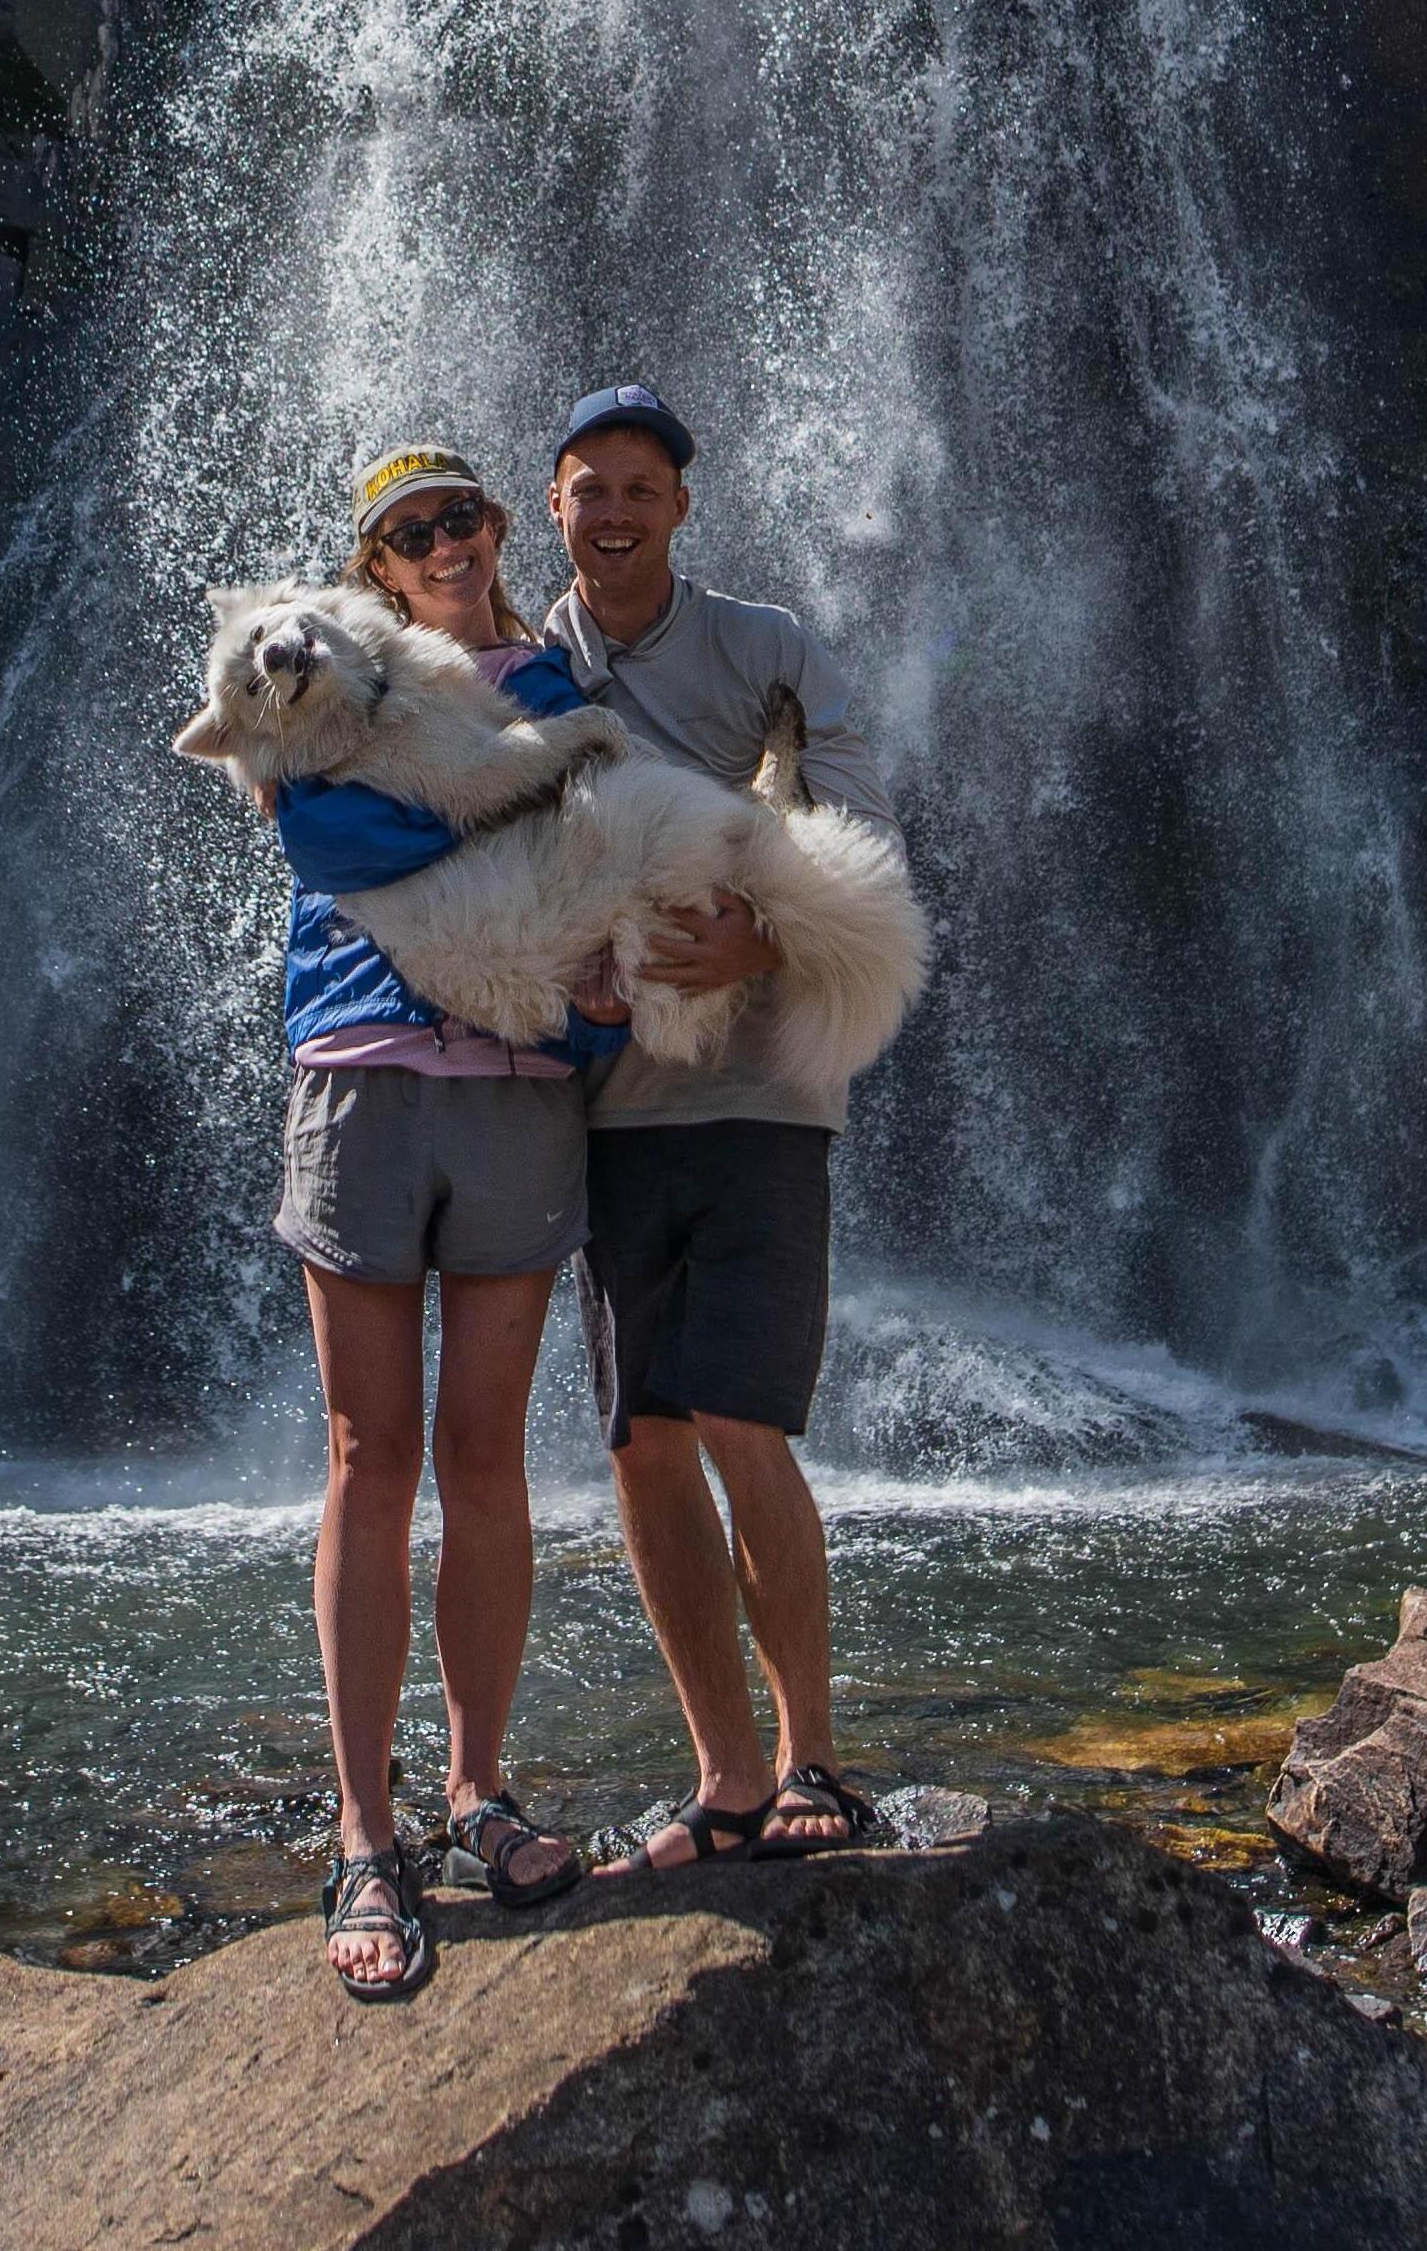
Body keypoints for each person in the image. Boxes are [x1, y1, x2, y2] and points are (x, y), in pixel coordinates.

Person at [259, 443, 615, 2005]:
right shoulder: (322, 676)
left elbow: (594, 870)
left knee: (484, 1454)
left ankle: (475, 1794)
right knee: (367, 1454)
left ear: (494, 527)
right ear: (378, 567)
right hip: (361, 1071)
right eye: (410, 533)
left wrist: (590, 1017)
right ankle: (362, 1829)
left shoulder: (555, 682)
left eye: (460, 517)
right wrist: (505, 822)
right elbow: (322, 839)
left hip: (519, 1082)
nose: (444, 544)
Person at [542, 381, 902, 1869]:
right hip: (608, 1115)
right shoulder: (522, 666)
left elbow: (863, 826)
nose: (616, 511)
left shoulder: (768, 647)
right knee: (643, 1442)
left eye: (643, 488)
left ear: (683, 506)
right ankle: (726, 1775)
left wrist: (766, 932)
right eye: (591, 488)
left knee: (745, 1419)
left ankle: (813, 1753)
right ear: (555, 505)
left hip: (763, 1101)